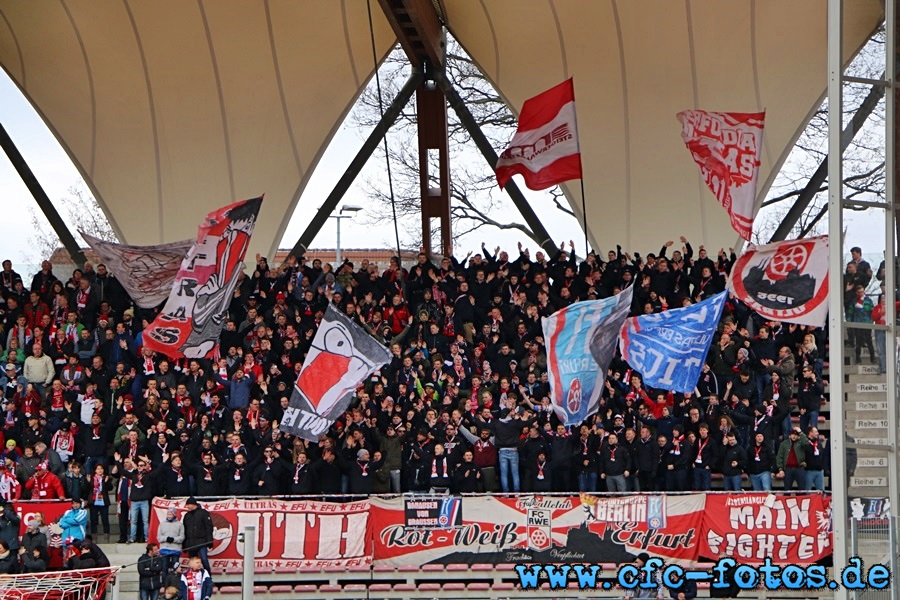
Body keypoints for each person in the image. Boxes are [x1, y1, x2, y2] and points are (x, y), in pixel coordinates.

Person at [182, 497, 213, 576]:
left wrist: (209, 541)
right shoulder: (186, 516)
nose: (187, 506)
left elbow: (209, 527)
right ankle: (194, 578)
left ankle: (208, 578)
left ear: (193, 504)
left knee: (204, 559)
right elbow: (185, 530)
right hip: (190, 543)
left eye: (188, 504)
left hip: (202, 542)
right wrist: (184, 545)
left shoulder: (203, 513)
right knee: (192, 562)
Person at [158, 506, 185, 573]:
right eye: (168, 514)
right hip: (164, 549)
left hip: (175, 549)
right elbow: (159, 537)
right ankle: (165, 582)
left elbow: (182, 537)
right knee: (164, 568)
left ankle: (174, 582)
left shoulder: (180, 525)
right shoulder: (162, 524)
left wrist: (173, 539)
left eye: (171, 514)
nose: (169, 516)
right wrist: (166, 538)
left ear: (174, 514)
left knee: (175, 568)